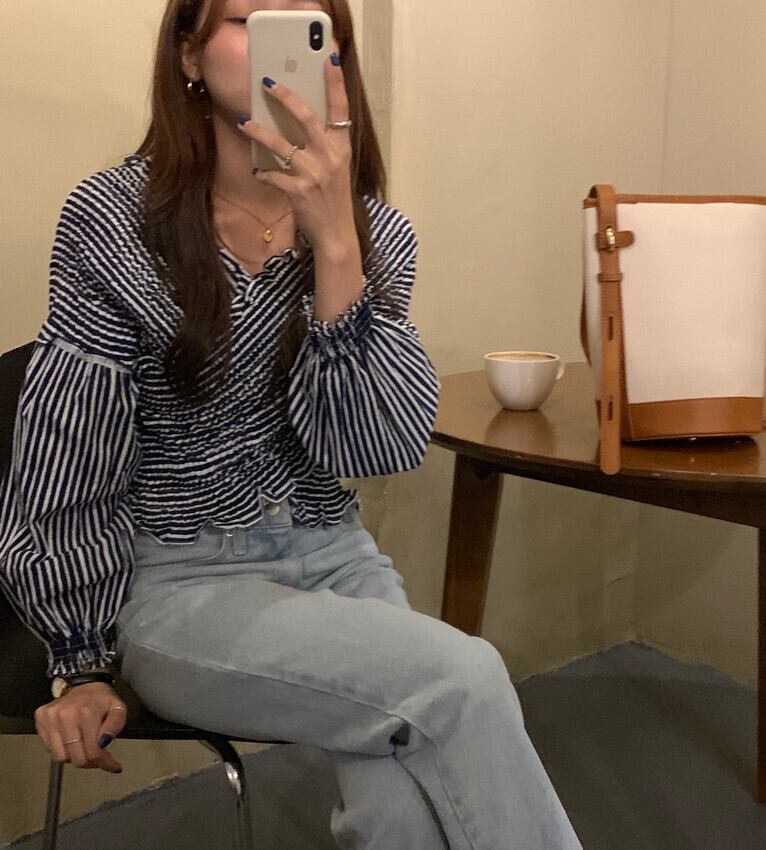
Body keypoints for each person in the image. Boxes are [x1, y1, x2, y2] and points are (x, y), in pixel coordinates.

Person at [0, 1, 583, 847]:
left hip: (335, 556)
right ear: (190, 54)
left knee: (400, 801)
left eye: (315, 27)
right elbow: (68, 448)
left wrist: (336, 242)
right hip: (181, 582)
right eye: (252, 18)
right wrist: (79, 660)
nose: (288, 42)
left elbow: (372, 448)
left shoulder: (375, 233)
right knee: (462, 679)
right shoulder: (113, 220)